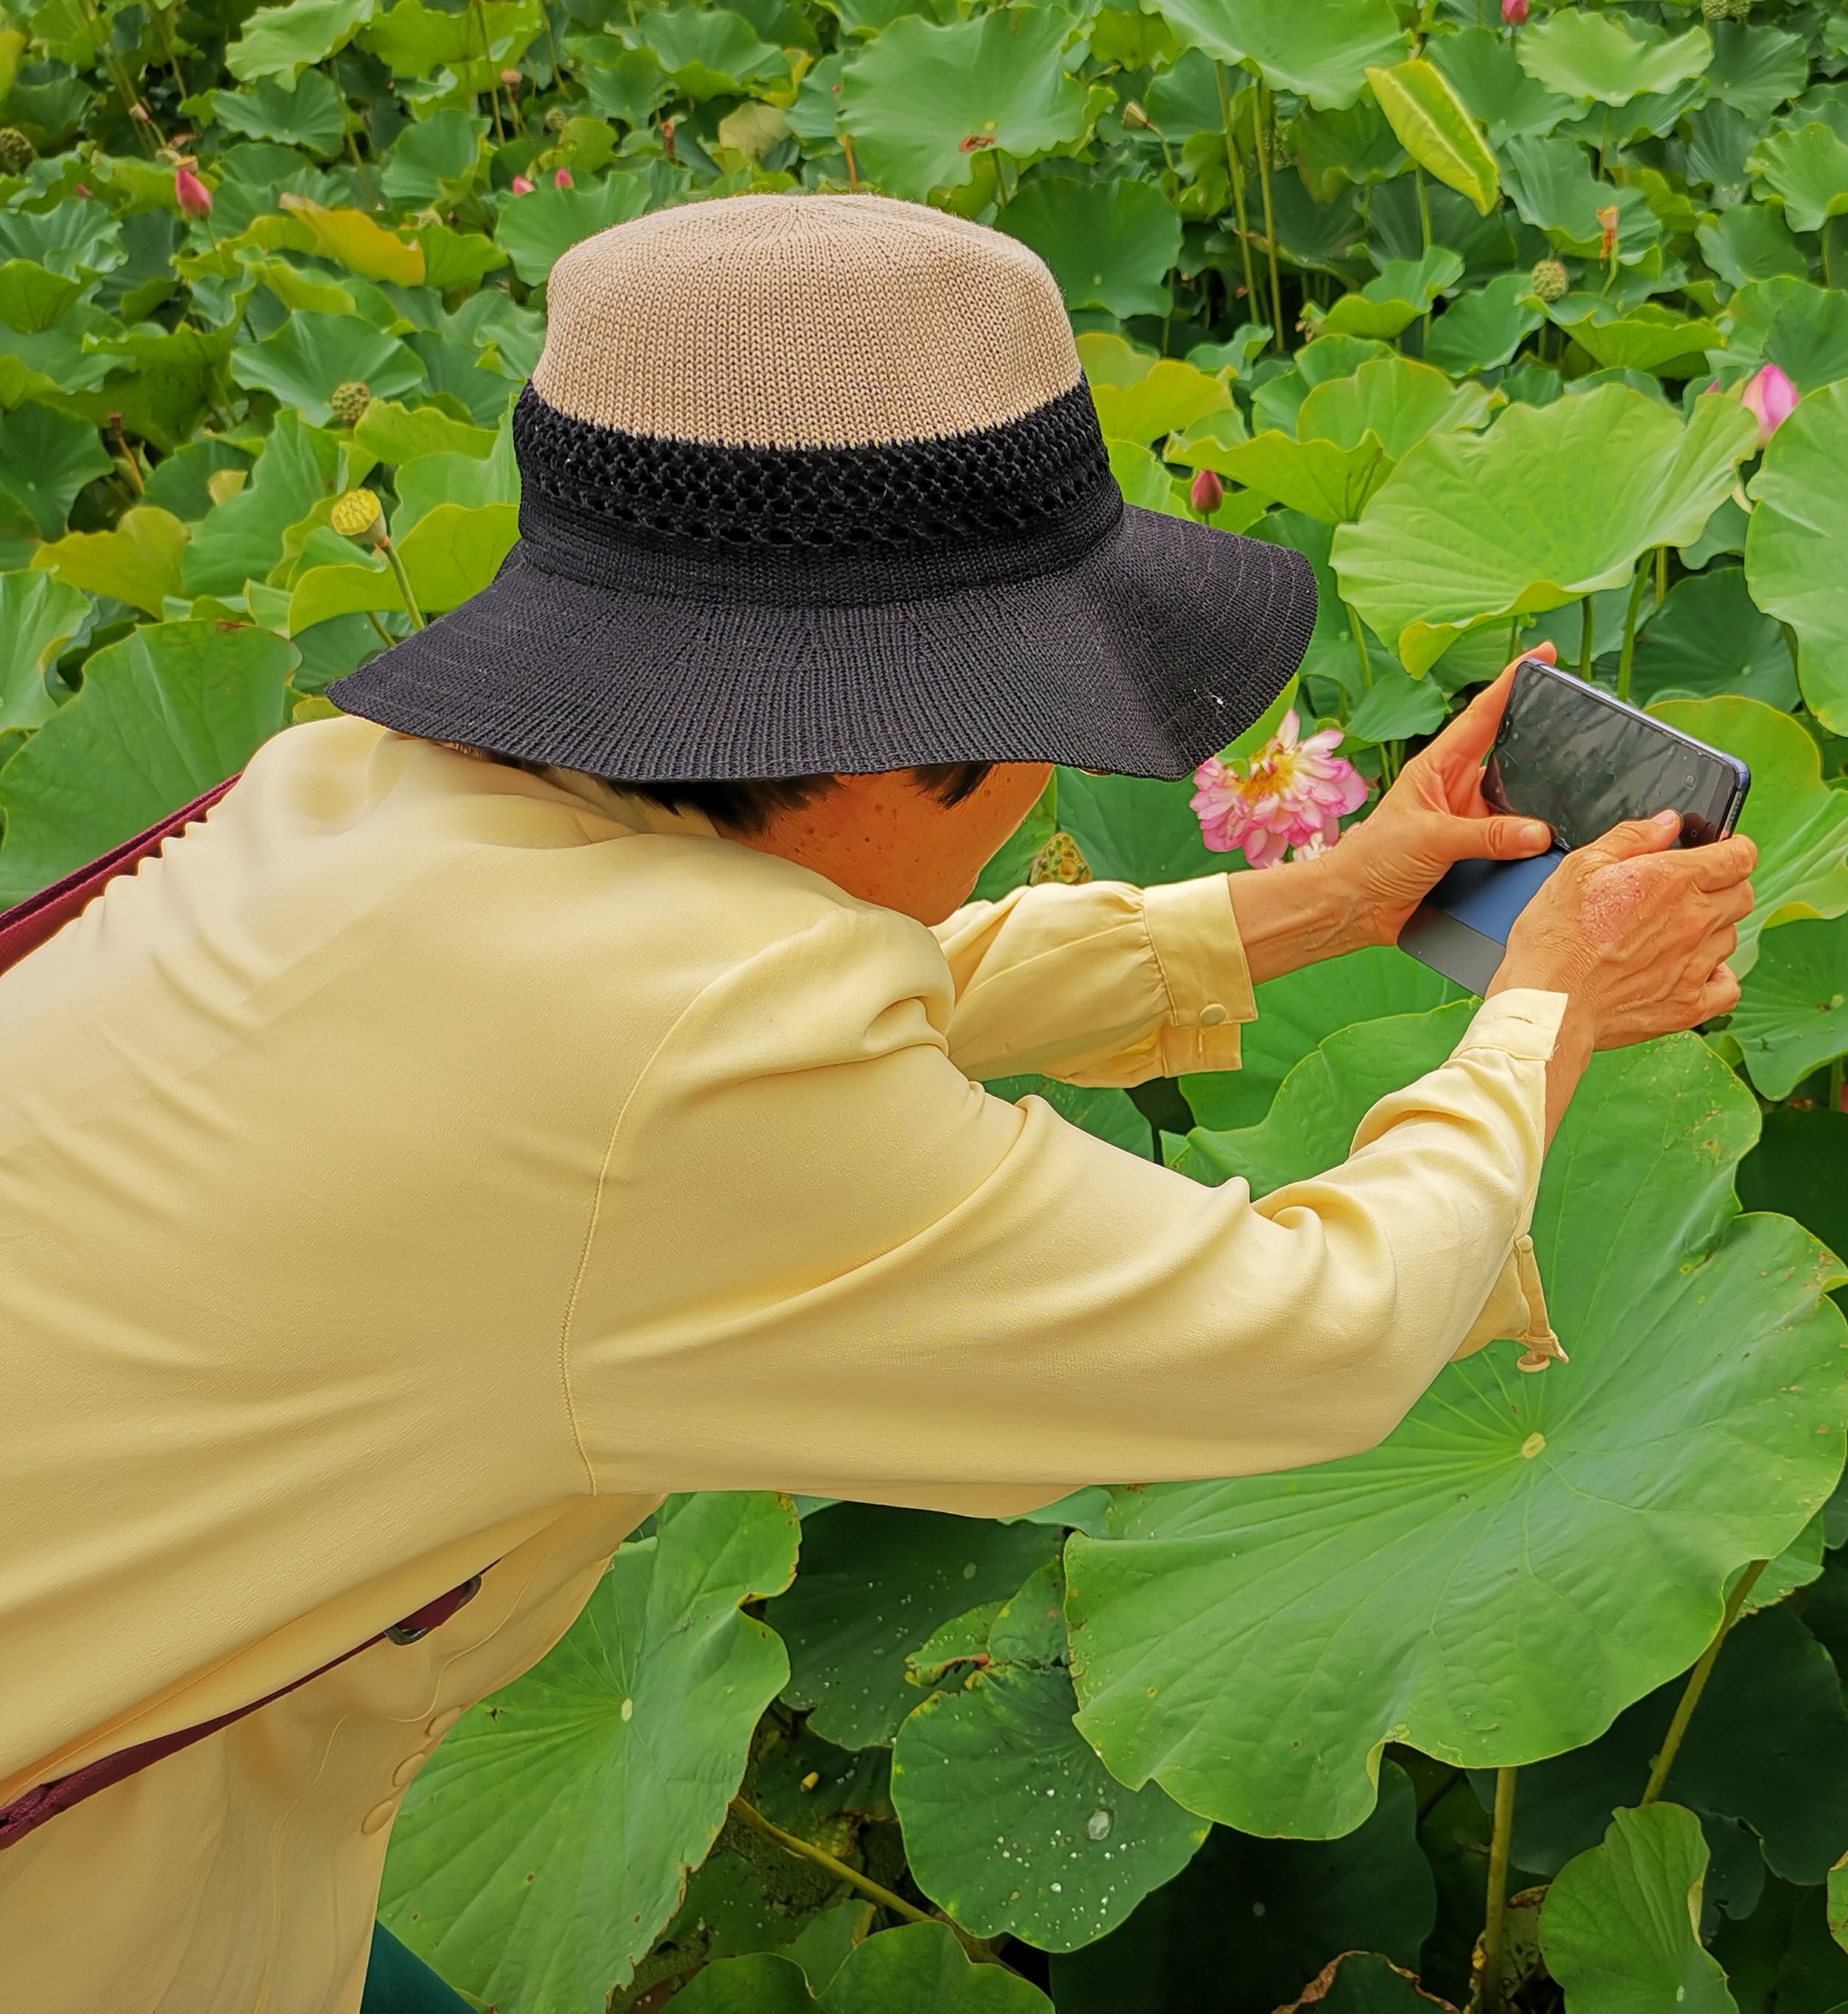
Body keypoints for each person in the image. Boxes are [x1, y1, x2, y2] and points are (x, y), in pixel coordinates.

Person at [0, 193, 1756, 2010]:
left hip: (148, 1746)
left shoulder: (360, 794)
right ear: (908, 740)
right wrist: (1547, 1010)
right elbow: (1318, 1333)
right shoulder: (696, 1056)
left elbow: (708, 1034)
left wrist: (1318, 899)